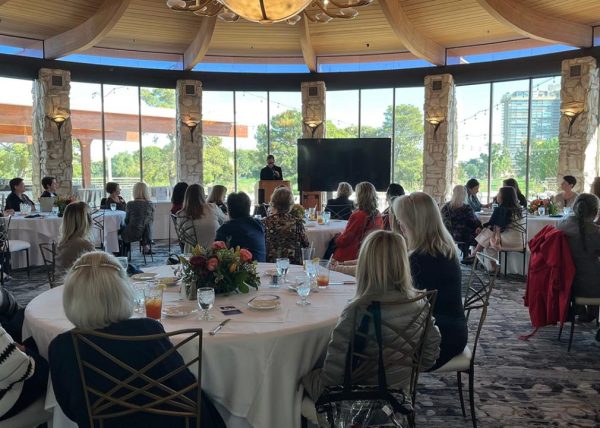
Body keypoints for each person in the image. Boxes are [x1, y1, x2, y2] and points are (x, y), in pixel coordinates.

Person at [48, 251, 225, 428]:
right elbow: (185, 387)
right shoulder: (149, 331)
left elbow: (70, 409)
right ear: (122, 291)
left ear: (71, 296)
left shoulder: (63, 346)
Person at [302, 230, 440, 401]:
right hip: (399, 395)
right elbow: (429, 357)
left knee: (298, 378)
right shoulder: (420, 303)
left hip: (357, 401)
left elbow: (333, 377)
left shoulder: (357, 310)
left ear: (365, 264)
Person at [393, 192, 468, 370]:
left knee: (368, 343)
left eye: (402, 220)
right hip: (453, 330)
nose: (400, 226)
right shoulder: (442, 247)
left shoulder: (422, 259)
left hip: (438, 340)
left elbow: (401, 302)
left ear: (415, 223)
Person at [0, 287, 48, 421]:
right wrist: (23, 351)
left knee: (26, 315)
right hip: (6, 397)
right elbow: (28, 370)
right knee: (55, 364)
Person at [557, 194, 600, 322]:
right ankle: (591, 311)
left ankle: (580, 308)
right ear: (596, 211)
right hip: (592, 288)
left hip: (566, 285)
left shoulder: (561, 226)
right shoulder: (596, 232)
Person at [332, 182, 383, 262]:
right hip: (368, 255)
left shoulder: (358, 215)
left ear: (360, 196)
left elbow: (344, 240)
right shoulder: (378, 215)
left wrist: (337, 238)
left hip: (349, 256)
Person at [472, 186, 524, 261]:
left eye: (499, 193)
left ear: (503, 196)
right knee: (488, 235)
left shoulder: (501, 209)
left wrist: (482, 228)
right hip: (520, 241)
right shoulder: (519, 209)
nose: (497, 195)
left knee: (488, 238)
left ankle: (477, 257)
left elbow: (494, 226)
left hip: (506, 241)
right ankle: (474, 255)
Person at [263, 187, 309, 265]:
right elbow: (306, 244)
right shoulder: (297, 222)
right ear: (290, 205)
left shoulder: (265, 222)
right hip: (293, 264)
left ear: (273, 203)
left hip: (270, 264)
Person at [216, 192, 266, 262]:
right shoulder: (258, 224)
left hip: (242, 271)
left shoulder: (225, 229)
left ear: (229, 209)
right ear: (248, 208)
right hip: (262, 267)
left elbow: (216, 254)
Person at [176, 184, 226, 252]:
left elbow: (182, 238)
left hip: (191, 254)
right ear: (202, 195)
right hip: (213, 252)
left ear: (186, 196)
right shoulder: (211, 207)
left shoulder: (180, 214)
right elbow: (224, 222)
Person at [441, 185, 482, 260]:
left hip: (448, 234)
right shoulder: (466, 208)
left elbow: (441, 221)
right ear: (464, 194)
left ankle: (467, 254)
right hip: (464, 235)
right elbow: (474, 222)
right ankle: (474, 257)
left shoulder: (445, 207)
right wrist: (480, 226)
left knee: (466, 231)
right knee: (481, 236)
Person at [56, 201, 95, 269]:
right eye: (90, 216)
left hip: (65, 278)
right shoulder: (83, 244)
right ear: (85, 220)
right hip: (76, 279)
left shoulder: (65, 241)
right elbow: (96, 270)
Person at [121, 182, 155, 254]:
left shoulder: (130, 204)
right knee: (146, 224)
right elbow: (151, 221)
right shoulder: (150, 204)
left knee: (119, 229)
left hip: (131, 233)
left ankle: (123, 253)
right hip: (146, 234)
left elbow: (127, 220)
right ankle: (145, 245)